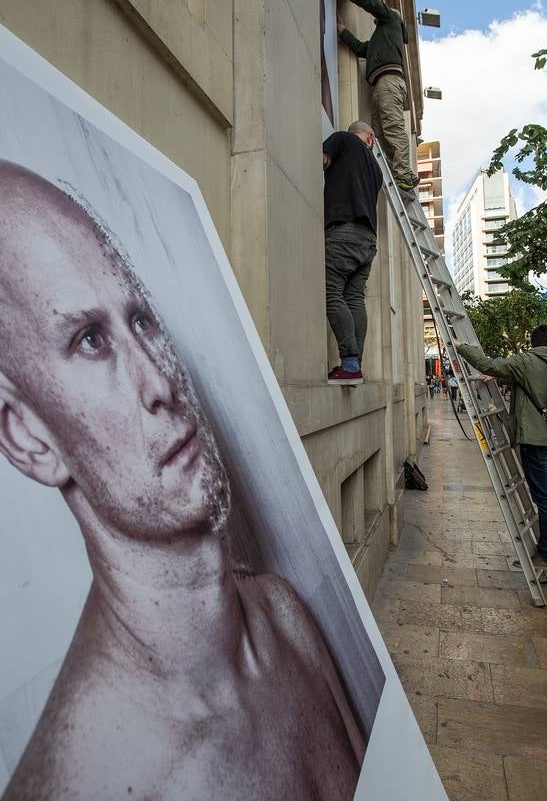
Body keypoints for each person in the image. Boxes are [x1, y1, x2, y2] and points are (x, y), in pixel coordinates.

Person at [0, 162, 364, 800]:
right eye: (89, 339)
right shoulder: (94, 785)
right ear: (28, 436)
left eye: (140, 320)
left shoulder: (283, 616)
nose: (161, 383)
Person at [456, 325, 547, 572]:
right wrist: (499, 376)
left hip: (537, 439)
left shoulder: (527, 360)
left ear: (532, 342)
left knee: (546, 498)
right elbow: (518, 378)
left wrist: (459, 346)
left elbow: (489, 365)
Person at [335, 0, 419, 192]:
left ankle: (403, 174)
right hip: (381, 85)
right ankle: (394, 174)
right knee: (379, 136)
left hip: (388, 82)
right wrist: (343, 31)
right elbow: (361, 48)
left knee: (393, 128)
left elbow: (369, 2)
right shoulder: (380, 40)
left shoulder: (391, 20)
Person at [322, 121, 382, 384]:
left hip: (344, 233)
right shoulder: (376, 170)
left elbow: (321, 160)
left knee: (330, 291)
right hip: (368, 240)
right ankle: (354, 366)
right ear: (370, 137)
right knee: (354, 298)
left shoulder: (343, 140)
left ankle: (349, 363)